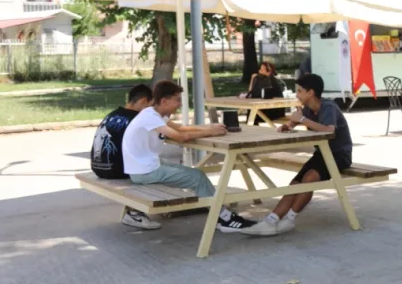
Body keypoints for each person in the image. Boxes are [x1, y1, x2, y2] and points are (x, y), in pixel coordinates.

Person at [122, 81, 259, 233]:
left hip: (145, 167)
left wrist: (208, 127)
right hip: (144, 171)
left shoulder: (153, 114)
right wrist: (210, 133)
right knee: (197, 177)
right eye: (177, 100)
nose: (180, 104)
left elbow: (180, 128)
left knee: (194, 174)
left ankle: (219, 211)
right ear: (164, 101)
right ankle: (224, 218)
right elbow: (181, 137)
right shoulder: (151, 117)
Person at [242, 74, 354, 236]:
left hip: (339, 155)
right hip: (322, 154)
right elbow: (295, 121)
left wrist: (301, 119)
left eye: (300, 91)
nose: (297, 95)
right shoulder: (307, 109)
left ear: (311, 92)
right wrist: (287, 126)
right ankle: (271, 220)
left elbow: (329, 131)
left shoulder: (327, 107)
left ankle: (289, 220)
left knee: (309, 179)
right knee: (295, 183)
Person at [91, 84, 158, 229]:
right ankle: (135, 214)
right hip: (115, 170)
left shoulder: (112, 115)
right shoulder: (136, 119)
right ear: (143, 101)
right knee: (154, 165)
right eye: (150, 106)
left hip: (98, 166)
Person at [246, 61, 286, 125]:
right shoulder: (262, 79)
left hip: (274, 110)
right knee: (251, 111)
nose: (259, 71)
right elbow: (251, 91)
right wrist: (252, 79)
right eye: (260, 69)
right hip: (268, 108)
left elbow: (261, 94)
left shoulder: (270, 80)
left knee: (252, 112)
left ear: (269, 71)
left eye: (262, 70)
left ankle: (251, 128)